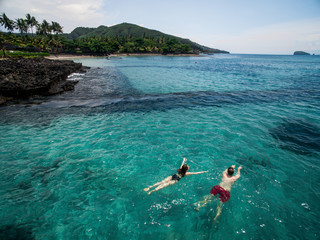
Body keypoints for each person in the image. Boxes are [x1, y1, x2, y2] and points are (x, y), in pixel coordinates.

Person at [144, 158, 208, 195]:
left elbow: (182, 164)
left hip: (172, 176)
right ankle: (151, 191)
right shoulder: (186, 173)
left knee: (161, 182)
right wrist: (204, 171)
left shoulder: (180, 169)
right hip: (175, 180)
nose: (188, 166)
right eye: (188, 166)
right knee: (163, 186)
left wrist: (184, 160)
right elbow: (196, 173)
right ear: (186, 169)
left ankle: (150, 187)